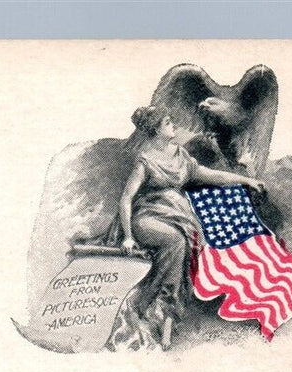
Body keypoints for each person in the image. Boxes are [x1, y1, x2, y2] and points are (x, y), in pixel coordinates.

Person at [106, 104, 267, 351]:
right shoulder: (146, 160)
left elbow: (210, 175)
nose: (174, 126)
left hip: (177, 217)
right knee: (177, 242)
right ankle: (145, 304)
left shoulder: (180, 155)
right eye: (168, 123)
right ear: (156, 130)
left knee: (183, 245)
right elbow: (127, 198)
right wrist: (127, 236)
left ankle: (166, 315)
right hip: (148, 218)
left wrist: (246, 180)